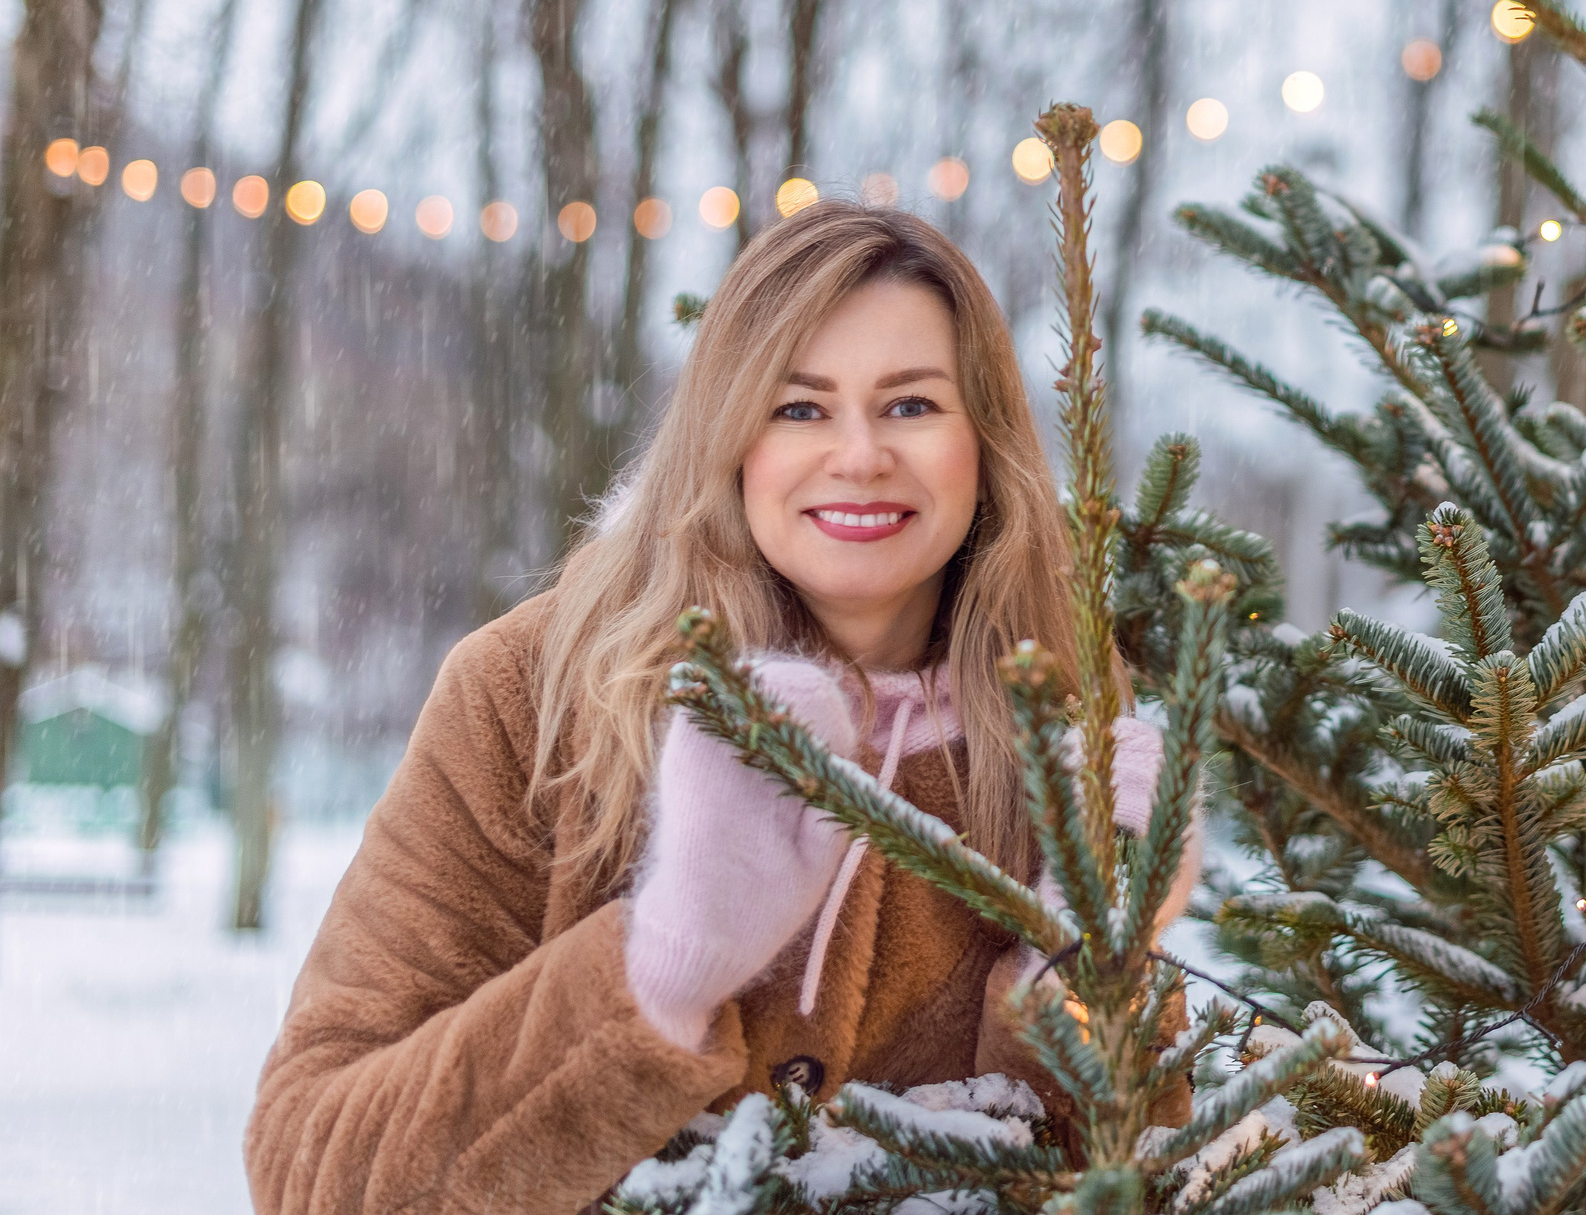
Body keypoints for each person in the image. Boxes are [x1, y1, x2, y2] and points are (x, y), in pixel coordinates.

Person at [246, 202, 1196, 1215]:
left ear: (984, 439)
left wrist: (1082, 976)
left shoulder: (1058, 720)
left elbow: (1150, 1177)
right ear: (731, 435)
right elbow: (311, 1169)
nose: (861, 453)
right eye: (799, 406)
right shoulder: (535, 689)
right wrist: (657, 972)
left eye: (911, 404)